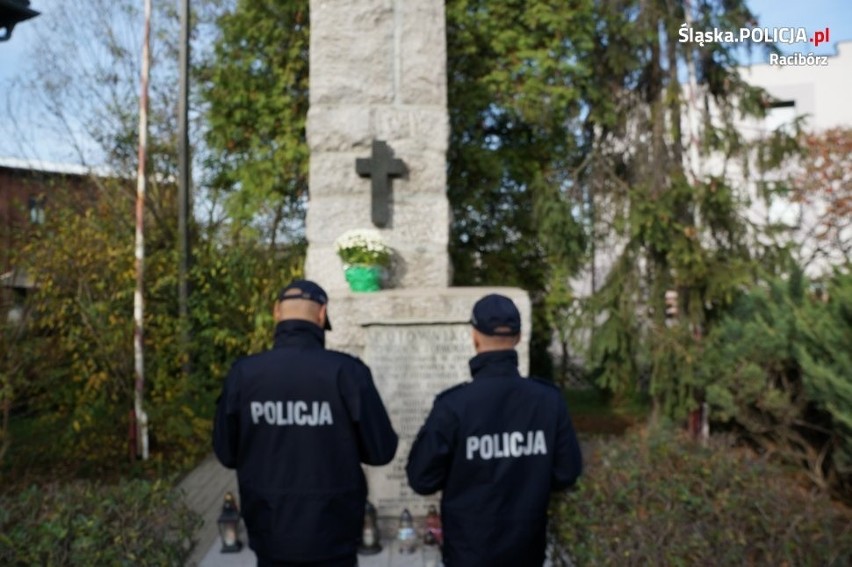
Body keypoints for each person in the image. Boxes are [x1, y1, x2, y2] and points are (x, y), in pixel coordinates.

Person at [213, 279, 398, 567]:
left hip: (270, 529)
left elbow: (226, 453)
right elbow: (381, 451)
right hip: (334, 531)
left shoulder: (244, 374)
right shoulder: (347, 372)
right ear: (322, 314)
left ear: (276, 312)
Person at [406, 293, 583, 567]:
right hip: (526, 548)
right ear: (519, 337)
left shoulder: (454, 405)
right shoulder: (548, 400)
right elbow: (567, 473)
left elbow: (421, 478)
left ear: (475, 337)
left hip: (469, 551)